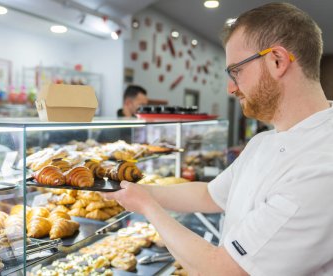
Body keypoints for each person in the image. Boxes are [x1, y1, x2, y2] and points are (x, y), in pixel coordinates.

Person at [103, 3, 333, 275]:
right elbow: (208, 195)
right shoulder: (263, 142)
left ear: (277, 61)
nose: (230, 87)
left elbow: (224, 269)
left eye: (236, 70)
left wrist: (147, 207)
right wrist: (139, 191)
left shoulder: (321, 166)